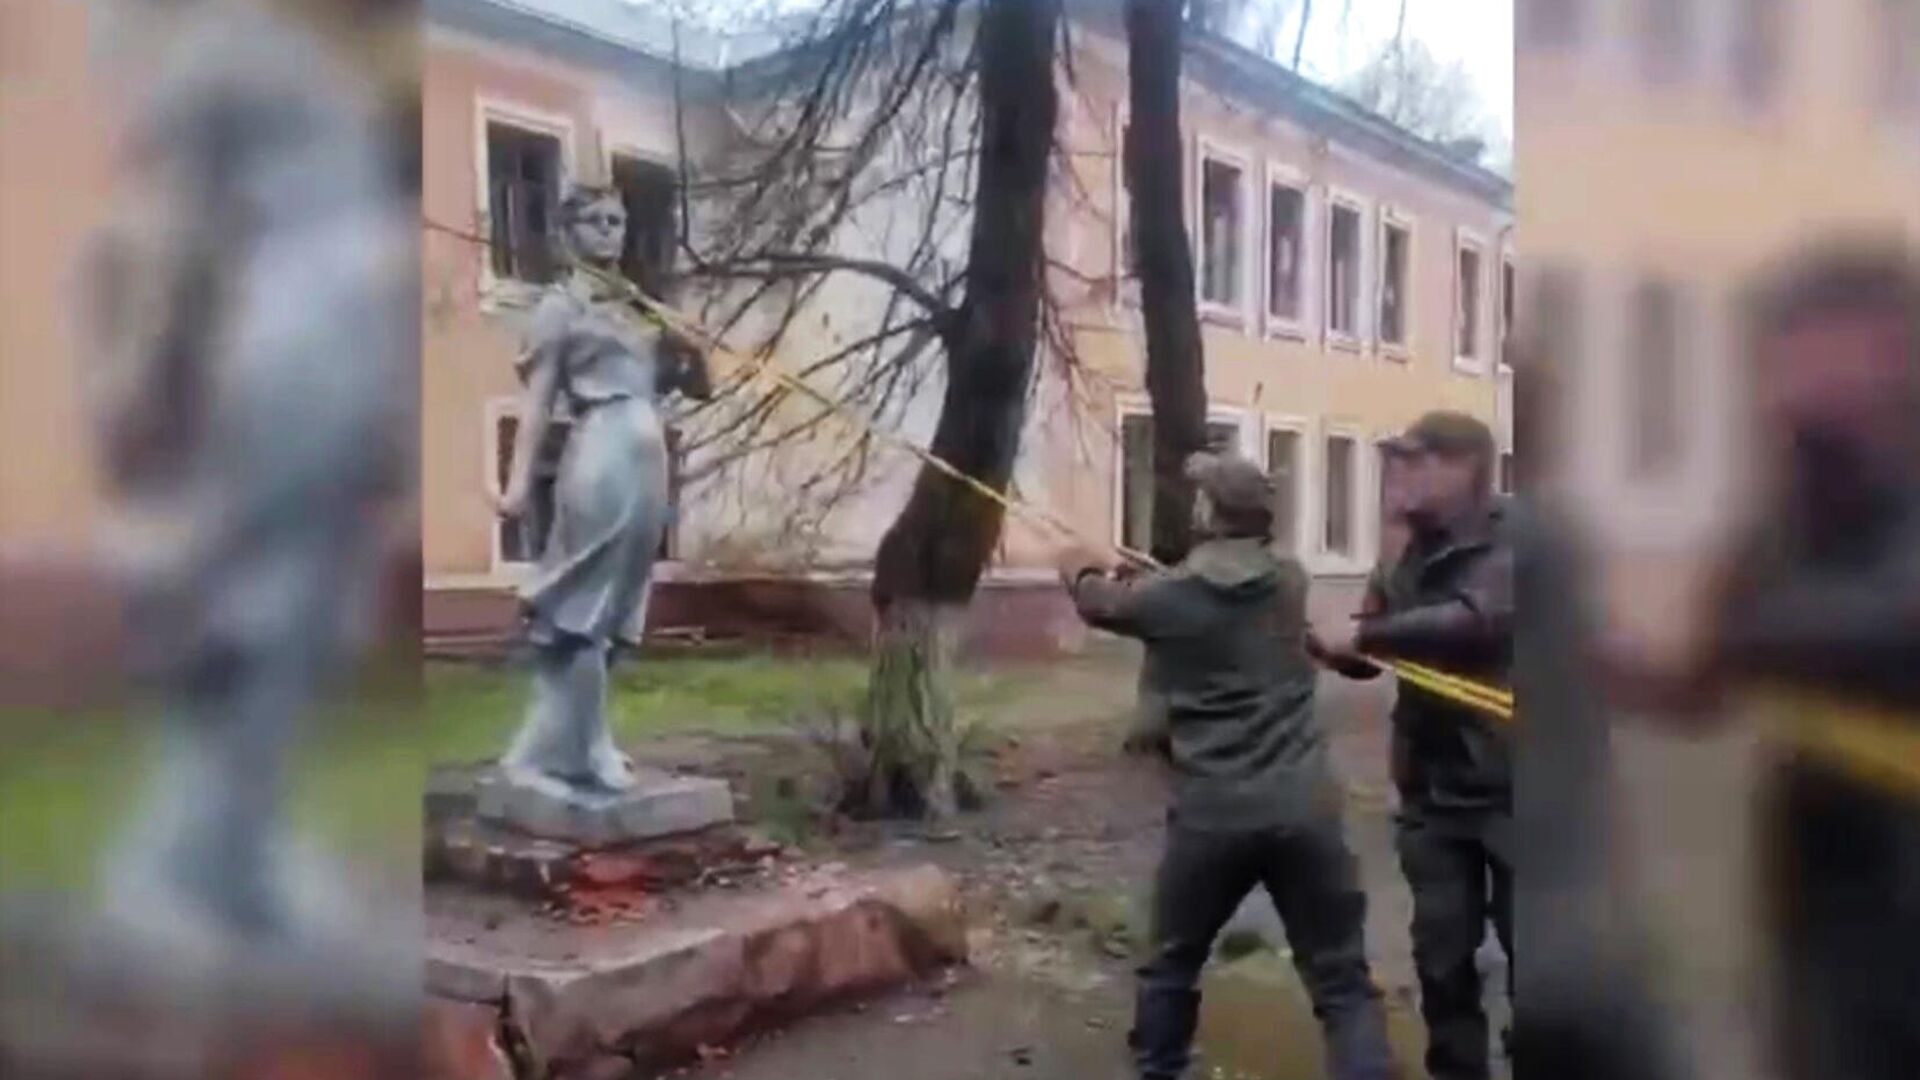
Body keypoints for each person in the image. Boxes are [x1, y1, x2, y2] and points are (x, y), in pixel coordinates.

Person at [1600, 243, 1920, 1080]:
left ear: (1890, 350)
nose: (1782, 382)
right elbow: (1700, 680)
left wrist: (1726, 649)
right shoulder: (1790, 512)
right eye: (1778, 354)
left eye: (1811, 351)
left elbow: (1876, 621)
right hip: (1829, 907)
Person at [1056, 450, 1395, 1080]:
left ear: (1210, 512)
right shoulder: (1290, 579)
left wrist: (1078, 564)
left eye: (1201, 497)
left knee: (1173, 964)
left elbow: (1102, 604)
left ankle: (1160, 1068)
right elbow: (1207, 596)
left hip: (1214, 814)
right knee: (1342, 980)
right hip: (1306, 806)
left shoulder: (1169, 598)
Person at [1311, 411, 1513, 1080]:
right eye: (1393, 459)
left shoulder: (1517, 538)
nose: (1396, 473)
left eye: (1414, 460)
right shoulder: (1402, 551)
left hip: (1523, 792)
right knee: (1441, 961)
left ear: (1467, 470)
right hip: (1432, 792)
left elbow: (1473, 622)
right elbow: (1375, 649)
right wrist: (1330, 645)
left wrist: (1370, 637)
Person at [492, 184, 712, 797]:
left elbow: (698, 390)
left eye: (618, 221)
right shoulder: (560, 307)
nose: (612, 231)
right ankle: (588, 749)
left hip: (648, 454)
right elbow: (536, 404)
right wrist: (515, 489)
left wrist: (692, 348)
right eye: (597, 222)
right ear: (570, 233)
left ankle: (552, 748)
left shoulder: (638, 308)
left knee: (616, 616)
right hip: (601, 447)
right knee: (583, 610)